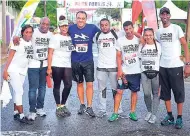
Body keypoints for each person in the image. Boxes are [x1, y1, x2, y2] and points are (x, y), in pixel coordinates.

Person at [156, 7, 190, 129]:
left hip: (176, 65)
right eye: (162, 14)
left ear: (169, 16)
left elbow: (185, 45)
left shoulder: (176, 28)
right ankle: (170, 116)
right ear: (160, 16)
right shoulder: (158, 32)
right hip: (163, 66)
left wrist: (187, 64)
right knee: (165, 93)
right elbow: (157, 48)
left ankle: (179, 118)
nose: (164, 16)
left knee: (178, 92)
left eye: (166, 14)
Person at [13, 17, 52, 121]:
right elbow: (24, 35)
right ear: (40, 23)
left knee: (42, 88)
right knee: (33, 89)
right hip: (33, 64)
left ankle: (40, 108)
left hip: (44, 64)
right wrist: (16, 36)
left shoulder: (51, 35)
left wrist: (49, 67)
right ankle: (32, 111)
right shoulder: (33, 33)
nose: (45, 26)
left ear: (49, 25)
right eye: (43, 23)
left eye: (47, 24)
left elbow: (51, 51)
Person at [68, 11, 100, 117]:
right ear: (76, 18)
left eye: (83, 18)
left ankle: (89, 107)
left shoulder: (92, 27)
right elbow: (61, 35)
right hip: (75, 61)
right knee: (79, 83)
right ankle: (82, 104)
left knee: (90, 84)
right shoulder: (71, 28)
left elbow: (105, 33)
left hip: (88, 61)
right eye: (78, 18)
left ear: (86, 19)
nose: (80, 20)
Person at [108, 21, 141, 122]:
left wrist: (134, 33)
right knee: (119, 92)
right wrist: (119, 70)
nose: (128, 31)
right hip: (124, 71)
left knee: (134, 92)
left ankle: (132, 112)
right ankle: (115, 113)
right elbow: (118, 56)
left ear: (133, 28)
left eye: (130, 28)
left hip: (136, 71)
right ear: (124, 30)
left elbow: (144, 38)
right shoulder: (120, 40)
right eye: (126, 29)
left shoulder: (138, 39)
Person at [3, 25, 34, 124]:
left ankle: (16, 112)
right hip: (13, 70)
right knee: (19, 91)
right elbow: (10, 57)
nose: (28, 34)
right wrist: (5, 71)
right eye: (26, 32)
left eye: (30, 32)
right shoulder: (17, 42)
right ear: (22, 32)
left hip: (23, 71)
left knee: (17, 91)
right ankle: (21, 116)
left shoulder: (30, 42)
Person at [95, 18, 123, 118]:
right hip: (101, 67)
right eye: (102, 25)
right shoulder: (97, 35)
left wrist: (121, 66)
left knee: (115, 90)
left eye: (106, 25)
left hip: (113, 67)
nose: (104, 27)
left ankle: (118, 110)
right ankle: (102, 110)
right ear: (100, 26)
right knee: (102, 90)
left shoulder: (116, 35)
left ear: (109, 25)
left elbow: (121, 49)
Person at [47, 20, 73, 117]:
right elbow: (50, 52)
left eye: (66, 26)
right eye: (62, 26)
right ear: (59, 27)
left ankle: (63, 104)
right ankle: (58, 107)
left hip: (67, 64)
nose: (64, 28)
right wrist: (49, 68)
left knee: (68, 85)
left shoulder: (70, 37)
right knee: (57, 85)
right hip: (56, 64)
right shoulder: (55, 37)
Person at [139, 28, 161, 124]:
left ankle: (154, 114)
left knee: (156, 94)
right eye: (146, 35)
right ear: (144, 36)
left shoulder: (158, 46)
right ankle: (149, 111)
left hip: (156, 73)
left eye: (150, 35)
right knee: (147, 94)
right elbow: (138, 59)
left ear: (153, 35)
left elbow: (162, 59)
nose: (148, 37)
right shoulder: (141, 46)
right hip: (144, 72)